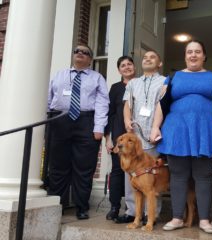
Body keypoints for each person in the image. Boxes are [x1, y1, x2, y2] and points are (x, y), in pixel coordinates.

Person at [150, 40, 212, 234]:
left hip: (206, 130)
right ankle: (177, 218)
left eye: (197, 52)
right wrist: (155, 127)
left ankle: (205, 220)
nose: (193, 55)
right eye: (189, 52)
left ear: (204, 56)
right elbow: (161, 105)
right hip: (177, 130)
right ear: (185, 56)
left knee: (203, 176)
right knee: (178, 175)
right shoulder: (173, 78)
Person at [47, 44, 109, 219]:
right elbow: (48, 97)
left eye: (85, 52)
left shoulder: (97, 78)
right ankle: (56, 206)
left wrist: (99, 127)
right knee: (58, 167)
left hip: (86, 122)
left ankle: (81, 206)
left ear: (90, 59)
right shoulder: (59, 75)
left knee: (84, 168)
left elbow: (102, 103)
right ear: (73, 55)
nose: (80, 54)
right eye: (77, 51)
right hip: (59, 121)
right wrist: (46, 122)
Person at [119, 50, 166, 225]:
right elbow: (127, 105)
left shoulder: (164, 82)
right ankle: (132, 212)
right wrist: (126, 120)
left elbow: (163, 105)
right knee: (131, 176)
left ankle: (152, 214)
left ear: (159, 63)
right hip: (135, 137)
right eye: (145, 57)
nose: (148, 59)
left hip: (153, 135)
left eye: (152, 57)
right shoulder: (133, 83)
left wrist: (156, 127)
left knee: (152, 177)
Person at [104, 56, 136, 221]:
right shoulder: (116, 88)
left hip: (137, 137)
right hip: (119, 136)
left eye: (129, 64)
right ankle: (115, 206)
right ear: (119, 70)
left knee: (137, 171)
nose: (126, 67)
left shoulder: (141, 84)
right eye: (123, 65)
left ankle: (134, 209)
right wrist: (108, 138)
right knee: (117, 171)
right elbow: (109, 114)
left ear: (134, 67)